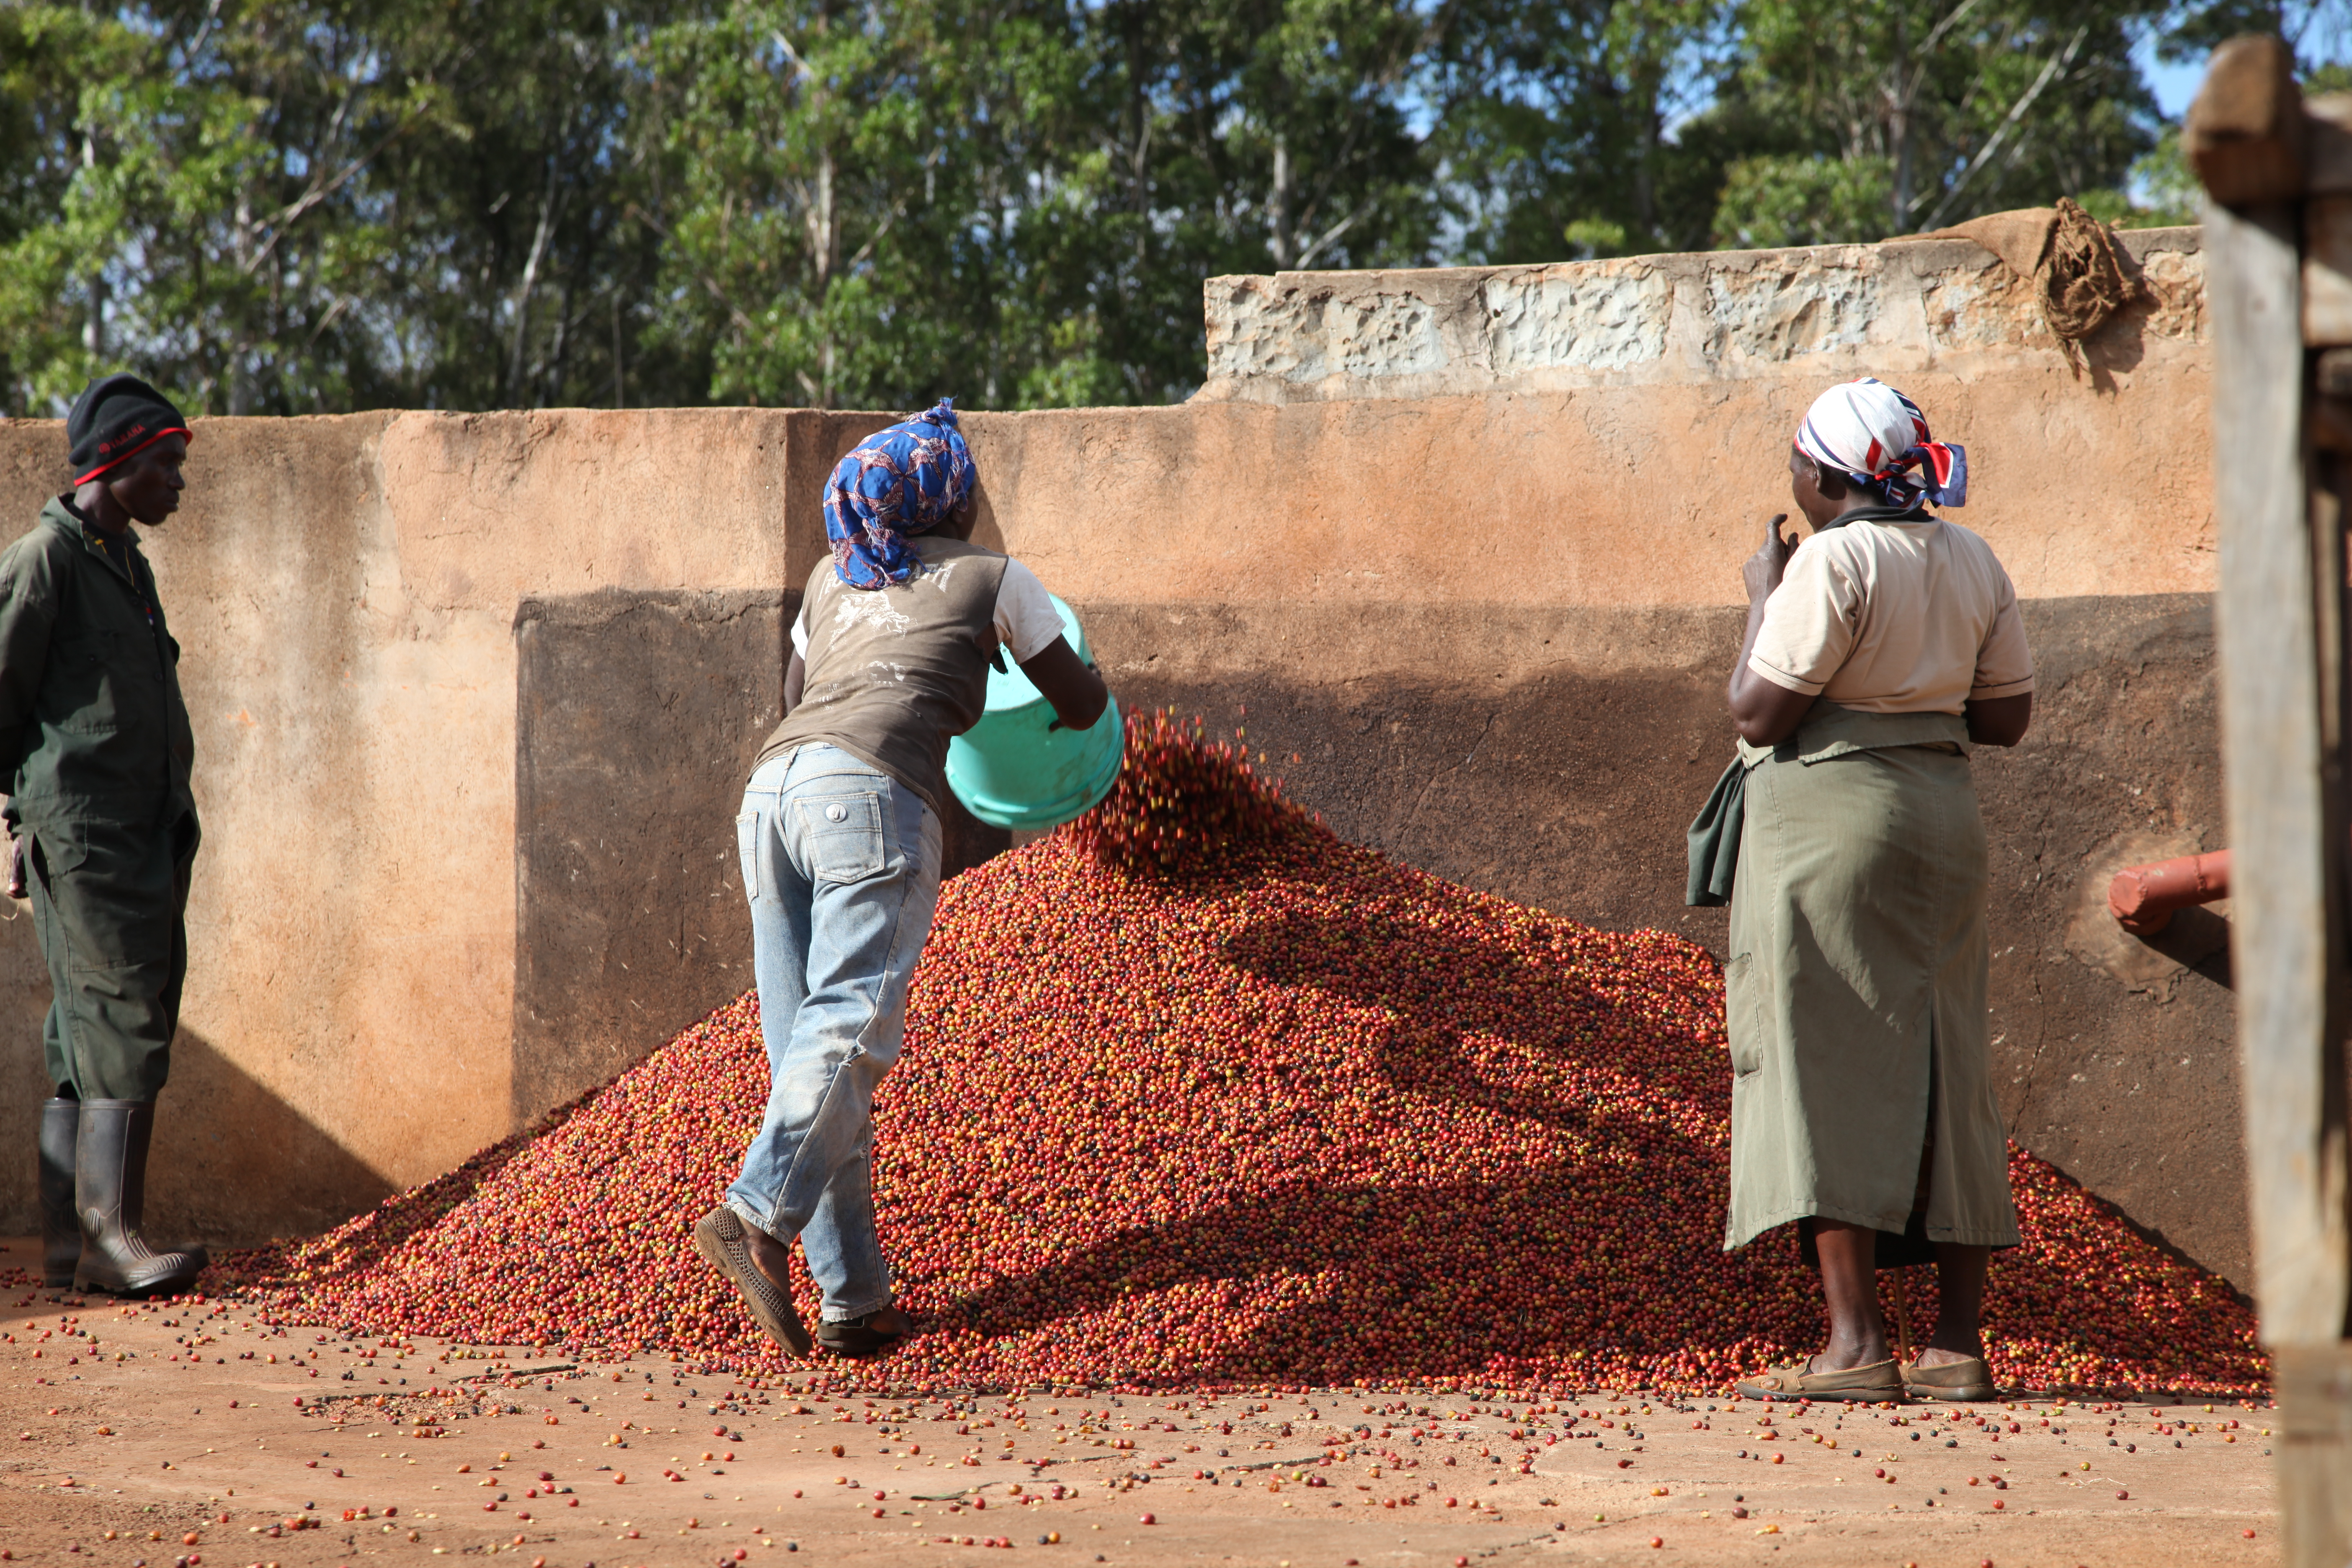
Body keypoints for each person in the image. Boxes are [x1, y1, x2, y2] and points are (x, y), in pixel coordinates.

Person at [695, 400, 1109, 1360]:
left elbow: (799, 700)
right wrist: (1004, 653)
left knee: (807, 1045)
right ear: (950, 498)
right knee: (852, 1028)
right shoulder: (995, 579)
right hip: (871, 799)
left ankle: (855, 1302)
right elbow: (1081, 705)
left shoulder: (828, 580)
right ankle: (756, 1215)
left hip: (772, 797)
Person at [1701, 377, 2033, 1403]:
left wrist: (1765, 593)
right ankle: (1956, 1348)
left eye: (1798, 465)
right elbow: (2007, 720)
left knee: (1826, 1053)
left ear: (1826, 475)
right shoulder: (1972, 557)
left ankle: (1854, 1349)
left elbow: (1758, 713)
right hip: (1943, 819)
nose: (1793, 482)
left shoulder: (1835, 559)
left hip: (1834, 824)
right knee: (1946, 1059)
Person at [5, 374, 206, 1297]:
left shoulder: (127, 562)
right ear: (117, 462)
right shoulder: (44, 562)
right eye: (163, 463)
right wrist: (11, 826)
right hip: (85, 836)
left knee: (91, 1027)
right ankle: (110, 1240)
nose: (177, 481)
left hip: (147, 832)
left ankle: (67, 1249)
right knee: (121, 1017)